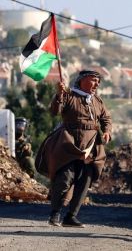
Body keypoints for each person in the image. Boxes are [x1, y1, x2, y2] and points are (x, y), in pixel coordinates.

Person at [35, 70, 112, 228]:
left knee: (85, 181)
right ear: (82, 80)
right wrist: (59, 95)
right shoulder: (68, 95)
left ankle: (71, 216)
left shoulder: (97, 100)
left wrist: (107, 131)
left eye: (98, 81)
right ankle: (55, 213)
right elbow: (55, 111)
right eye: (93, 80)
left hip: (91, 145)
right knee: (64, 179)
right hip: (69, 144)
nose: (97, 84)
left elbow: (106, 118)